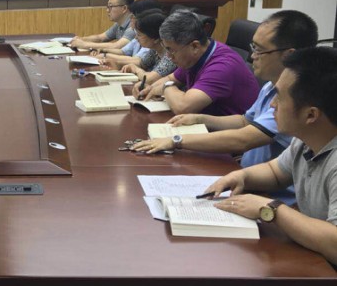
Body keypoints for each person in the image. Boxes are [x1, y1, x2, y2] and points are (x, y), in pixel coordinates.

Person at [193, 46, 337, 286]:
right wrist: (240, 177)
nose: (271, 104)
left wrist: (269, 210)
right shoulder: (308, 139)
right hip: (318, 271)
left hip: (330, 285)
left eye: (280, 97)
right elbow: (275, 171)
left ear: (311, 114)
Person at [130, 11, 318, 193]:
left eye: (259, 50)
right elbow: (245, 121)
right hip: (246, 175)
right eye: (252, 47)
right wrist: (201, 119)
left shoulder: (297, 99)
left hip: (266, 191)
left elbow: (243, 139)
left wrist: (176, 140)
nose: (252, 56)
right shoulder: (271, 85)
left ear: (288, 55)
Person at [133, 9, 259, 116]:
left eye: (171, 50)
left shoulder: (222, 66)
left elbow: (183, 107)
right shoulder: (195, 55)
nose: (168, 56)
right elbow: (171, 78)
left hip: (229, 132)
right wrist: (148, 88)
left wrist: (166, 87)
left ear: (194, 46)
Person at [69, 0, 136, 52]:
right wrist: (81, 39)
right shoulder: (119, 24)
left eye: (110, 6)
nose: (107, 10)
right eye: (107, 7)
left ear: (124, 8)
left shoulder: (133, 26)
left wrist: (84, 44)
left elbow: (116, 46)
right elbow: (100, 38)